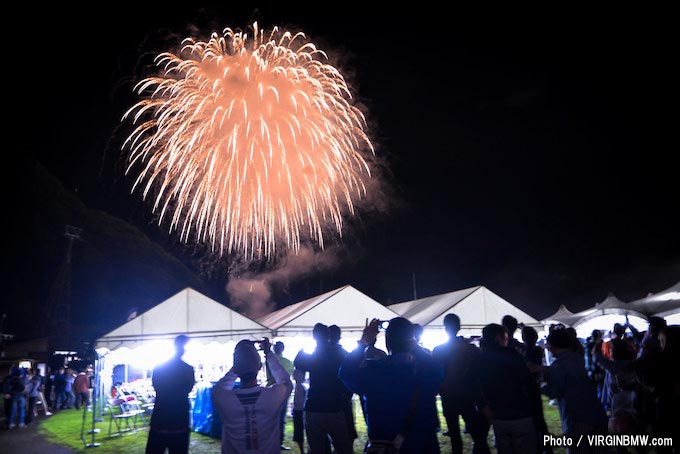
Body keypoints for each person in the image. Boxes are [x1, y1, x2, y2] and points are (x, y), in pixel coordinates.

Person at [339, 317, 444, 453]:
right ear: (412, 342)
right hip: (422, 443)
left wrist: (363, 342)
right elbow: (436, 367)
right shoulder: (425, 370)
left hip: (385, 445)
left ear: (388, 343)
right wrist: (411, 341)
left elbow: (345, 372)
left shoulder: (373, 371)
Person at [212, 337, 293, 454]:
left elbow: (220, 387)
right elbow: (286, 381)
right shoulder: (272, 396)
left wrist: (240, 360)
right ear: (260, 367)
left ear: (235, 369)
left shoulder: (222, 398)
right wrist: (268, 353)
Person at [468, 323, 539, 454]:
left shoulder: (480, 359)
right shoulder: (511, 354)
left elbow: (472, 383)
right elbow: (528, 381)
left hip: (497, 414)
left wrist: (483, 406)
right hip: (519, 412)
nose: (507, 339)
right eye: (505, 336)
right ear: (498, 337)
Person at [541, 328, 608, 453]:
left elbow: (554, 392)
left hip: (576, 420)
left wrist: (542, 385)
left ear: (553, 345)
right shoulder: (577, 359)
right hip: (596, 414)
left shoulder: (558, 365)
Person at [432, 313, 489, 454]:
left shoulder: (438, 350)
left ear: (445, 328)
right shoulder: (471, 349)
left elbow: (436, 374)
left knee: (454, 435)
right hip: (467, 394)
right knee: (477, 434)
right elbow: (479, 373)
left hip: (448, 395)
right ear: (459, 327)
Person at [294, 323, 353, 454]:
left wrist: (305, 348)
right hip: (335, 407)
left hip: (314, 407)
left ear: (314, 337)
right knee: (344, 448)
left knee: (316, 449)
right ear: (329, 336)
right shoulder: (340, 354)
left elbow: (297, 361)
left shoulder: (313, 356)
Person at [146, 335, 196, 454]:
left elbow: (156, 386)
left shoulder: (159, 367)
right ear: (183, 348)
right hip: (179, 417)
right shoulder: (187, 369)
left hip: (161, 416)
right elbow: (188, 389)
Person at [266, 340, 295, 451]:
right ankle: (279, 442)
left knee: (270, 418)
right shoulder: (288, 362)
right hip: (282, 393)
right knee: (281, 418)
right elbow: (288, 377)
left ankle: (270, 441)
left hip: (269, 391)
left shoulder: (268, 361)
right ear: (283, 349)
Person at [292, 368, 308, 454]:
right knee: (299, 431)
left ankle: (303, 450)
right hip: (299, 410)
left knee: (300, 431)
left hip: (300, 410)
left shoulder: (302, 386)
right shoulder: (300, 386)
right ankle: (302, 450)